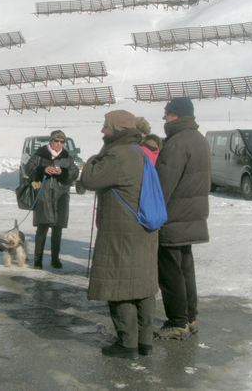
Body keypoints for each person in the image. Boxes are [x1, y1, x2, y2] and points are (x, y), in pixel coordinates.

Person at [80, 110, 159, 360]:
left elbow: (90, 179)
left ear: (117, 129)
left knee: (119, 285)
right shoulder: (138, 150)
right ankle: (144, 342)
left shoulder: (117, 153)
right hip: (142, 227)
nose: (102, 131)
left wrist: (95, 156)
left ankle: (127, 344)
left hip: (121, 230)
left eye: (106, 127)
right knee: (142, 285)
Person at [154, 97, 211, 340]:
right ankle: (191, 317)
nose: (164, 118)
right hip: (191, 215)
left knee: (170, 272)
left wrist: (151, 213)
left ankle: (178, 322)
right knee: (186, 268)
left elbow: (163, 185)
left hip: (173, 217)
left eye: (166, 113)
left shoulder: (177, 143)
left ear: (176, 115)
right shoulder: (198, 139)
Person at [24, 130, 79, 269]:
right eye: (56, 141)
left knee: (57, 228)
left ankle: (55, 259)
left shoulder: (67, 157)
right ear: (51, 141)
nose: (59, 144)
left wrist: (62, 172)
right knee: (42, 227)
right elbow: (28, 169)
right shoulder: (39, 155)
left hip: (61, 196)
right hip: (43, 195)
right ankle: (38, 259)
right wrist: (42, 170)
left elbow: (75, 173)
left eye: (62, 142)